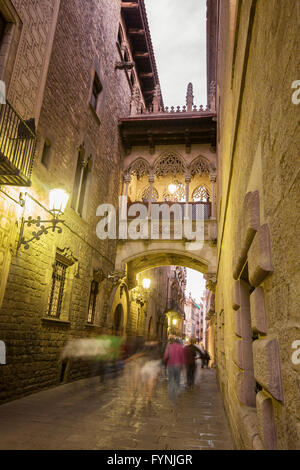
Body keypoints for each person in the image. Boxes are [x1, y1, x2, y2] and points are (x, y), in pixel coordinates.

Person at [163, 336, 185, 401]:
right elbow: (182, 357)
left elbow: (166, 355)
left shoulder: (169, 346)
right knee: (177, 379)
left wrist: (164, 361)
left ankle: (171, 394)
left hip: (170, 365)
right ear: (178, 342)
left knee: (170, 380)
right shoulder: (180, 347)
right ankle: (177, 392)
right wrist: (183, 365)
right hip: (178, 365)